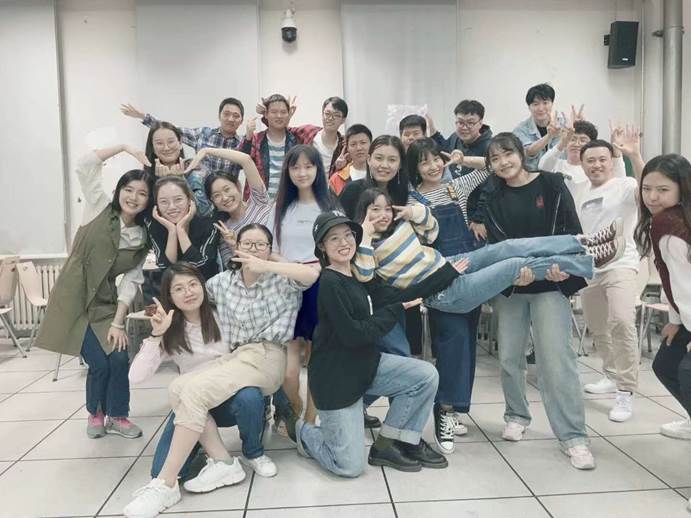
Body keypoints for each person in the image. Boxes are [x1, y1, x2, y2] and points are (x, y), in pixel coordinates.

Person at [123, 223, 319, 518]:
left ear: (270, 249)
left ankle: (166, 485)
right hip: (237, 358)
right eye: (247, 244)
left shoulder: (281, 279)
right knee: (178, 388)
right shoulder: (220, 285)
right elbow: (189, 289)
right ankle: (223, 462)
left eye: (261, 244)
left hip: (267, 355)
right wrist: (156, 332)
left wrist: (267, 263)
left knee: (198, 392)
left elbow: (312, 275)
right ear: (236, 247)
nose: (253, 250)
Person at [280, 210, 447, 476]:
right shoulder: (328, 282)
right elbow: (354, 335)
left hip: (365, 366)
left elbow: (400, 296)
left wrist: (447, 273)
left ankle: (390, 444)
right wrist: (394, 311)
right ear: (322, 246)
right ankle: (303, 431)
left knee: (425, 375)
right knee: (349, 466)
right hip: (336, 380)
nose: (344, 242)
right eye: (334, 238)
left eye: (348, 235)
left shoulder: (357, 276)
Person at [482, 132, 596, 470]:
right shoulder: (492, 198)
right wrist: (513, 273)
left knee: (556, 361)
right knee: (509, 357)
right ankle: (516, 415)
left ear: (521, 153)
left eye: (507, 154)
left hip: (551, 284)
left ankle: (573, 436)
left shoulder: (551, 184)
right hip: (514, 286)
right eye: (495, 159)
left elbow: (572, 233)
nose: (503, 162)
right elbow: (498, 246)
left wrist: (562, 269)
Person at [35, 145, 154, 440]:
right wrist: (126, 148)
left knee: (119, 358)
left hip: (104, 304)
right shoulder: (98, 206)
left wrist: (118, 322)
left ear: (148, 200)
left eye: (142, 193)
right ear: (119, 191)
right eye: (128, 189)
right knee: (99, 363)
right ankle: (96, 413)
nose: (133, 197)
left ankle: (118, 415)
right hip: (72, 300)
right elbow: (86, 165)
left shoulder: (142, 237)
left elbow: (130, 282)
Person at [353, 187, 622, 315]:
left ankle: (583, 242)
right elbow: (364, 275)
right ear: (363, 212)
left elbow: (432, 231)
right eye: (375, 209)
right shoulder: (364, 247)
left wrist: (414, 212)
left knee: (507, 247)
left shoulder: (401, 226)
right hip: (443, 291)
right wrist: (364, 234)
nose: (383, 214)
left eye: (386, 208)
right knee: (514, 264)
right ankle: (589, 261)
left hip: (450, 263)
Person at [129, 262, 274, 483]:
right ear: (170, 296)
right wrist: (157, 335)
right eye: (179, 289)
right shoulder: (169, 328)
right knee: (161, 473)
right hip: (194, 403)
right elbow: (136, 377)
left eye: (193, 284)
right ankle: (210, 450)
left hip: (229, 396)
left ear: (203, 286)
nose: (188, 292)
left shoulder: (224, 315)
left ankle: (253, 452)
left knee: (250, 395)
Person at [406, 138, 489, 452]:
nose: (433, 166)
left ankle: (455, 408)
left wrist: (462, 160)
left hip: (470, 271)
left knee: (467, 341)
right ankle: (445, 407)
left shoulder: (457, 187)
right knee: (451, 340)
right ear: (415, 168)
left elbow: (491, 167)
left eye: (436, 159)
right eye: (424, 162)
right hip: (439, 276)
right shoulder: (412, 199)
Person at [574, 137, 644, 422]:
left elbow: (647, 191)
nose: (597, 165)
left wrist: (635, 156)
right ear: (582, 164)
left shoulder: (625, 185)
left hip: (621, 264)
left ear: (612, 161)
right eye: (590, 160)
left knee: (622, 322)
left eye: (602, 159)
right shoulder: (579, 191)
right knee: (598, 327)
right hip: (589, 267)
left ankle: (625, 391)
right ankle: (611, 374)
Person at [269, 145, 335, 424]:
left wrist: (317, 268)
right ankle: (293, 411)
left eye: (308, 166)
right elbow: (270, 250)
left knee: (319, 360)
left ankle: (309, 420)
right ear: (288, 171)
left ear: (318, 169)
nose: (302, 172)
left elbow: (340, 248)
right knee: (289, 370)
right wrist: (290, 267)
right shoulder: (280, 208)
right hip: (286, 286)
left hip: (321, 285)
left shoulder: (329, 206)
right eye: (295, 167)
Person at [634, 154, 691, 451]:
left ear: (683, 188)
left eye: (663, 190)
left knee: (686, 372)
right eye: (647, 189)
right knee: (667, 363)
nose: (652, 197)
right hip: (685, 314)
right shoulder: (672, 217)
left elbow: (686, 286)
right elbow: (674, 282)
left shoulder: (670, 226)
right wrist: (676, 321)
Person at [120, 97, 252, 174]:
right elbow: (172, 131)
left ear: (241, 120)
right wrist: (143, 117)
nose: (230, 119)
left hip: (226, 197)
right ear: (219, 116)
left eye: (236, 116)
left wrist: (249, 136)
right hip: (201, 195)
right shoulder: (203, 134)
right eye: (226, 114)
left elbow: (248, 165)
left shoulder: (243, 143)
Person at [191, 147, 271, 269]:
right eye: (217, 195)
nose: (224, 197)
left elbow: (246, 160)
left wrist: (207, 151)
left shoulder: (259, 201)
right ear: (213, 202)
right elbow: (234, 269)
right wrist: (234, 246)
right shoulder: (224, 230)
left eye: (227, 189)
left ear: (238, 186)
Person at [428, 100, 494, 240]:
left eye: (470, 123)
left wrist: (479, 219)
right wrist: (432, 130)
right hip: (458, 208)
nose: (464, 127)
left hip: (478, 215)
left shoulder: (490, 147)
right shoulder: (456, 138)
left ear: (480, 123)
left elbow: (490, 188)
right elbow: (446, 151)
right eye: (460, 122)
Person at [145, 177, 219, 300]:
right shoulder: (155, 228)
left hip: (208, 294)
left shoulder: (209, 226)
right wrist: (172, 231)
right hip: (175, 295)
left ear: (189, 200)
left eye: (178, 199)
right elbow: (166, 269)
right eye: (164, 202)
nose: (172, 207)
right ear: (156, 206)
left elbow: (200, 266)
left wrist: (181, 230)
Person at [242, 94, 320, 199]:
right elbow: (241, 163)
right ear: (266, 114)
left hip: (289, 203)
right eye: (274, 112)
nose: (279, 116)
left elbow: (317, 131)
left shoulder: (295, 137)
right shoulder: (256, 139)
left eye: (283, 112)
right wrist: (248, 137)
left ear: (289, 114)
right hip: (259, 204)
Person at [141, 121, 213, 216]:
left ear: (180, 143)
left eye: (171, 141)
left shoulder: (196, 169)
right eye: (159, 143)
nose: (166, 148)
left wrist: (181, 180)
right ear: (153, 148)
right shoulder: (146, 177)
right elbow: (147, 214)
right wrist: (161, 182)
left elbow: (204, 211)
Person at [338, 135, 409, 225]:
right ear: (369, 160)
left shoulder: (405, 193)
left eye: (392, 160)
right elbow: (337, 226)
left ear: (400, 165)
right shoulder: (353, 190)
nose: (384, 165)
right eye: (379, 158)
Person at [513, 83, 561, 170]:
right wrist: (549, 136)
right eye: (536, 104)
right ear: (529, 107)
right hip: (534, 175)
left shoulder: (563, 124)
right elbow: (529, 151)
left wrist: (579, 126)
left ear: (552, 103)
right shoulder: (520, 130)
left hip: (560, 173)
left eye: (545, 103)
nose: (541, 108)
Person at [329, 124, 372, 196]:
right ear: (347, 148)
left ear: (371, 144)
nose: (359, 148)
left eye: (363, 143)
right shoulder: (337, 179)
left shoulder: (379, 173)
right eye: (353, 144)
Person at [309, 96, 347, 175]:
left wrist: (339, 169)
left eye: (336, 115)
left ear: (343, 120)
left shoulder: (344, 146)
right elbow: (286, 131)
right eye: (327, 114)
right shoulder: (309, 133)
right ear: (322, 115)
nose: (330, 118)